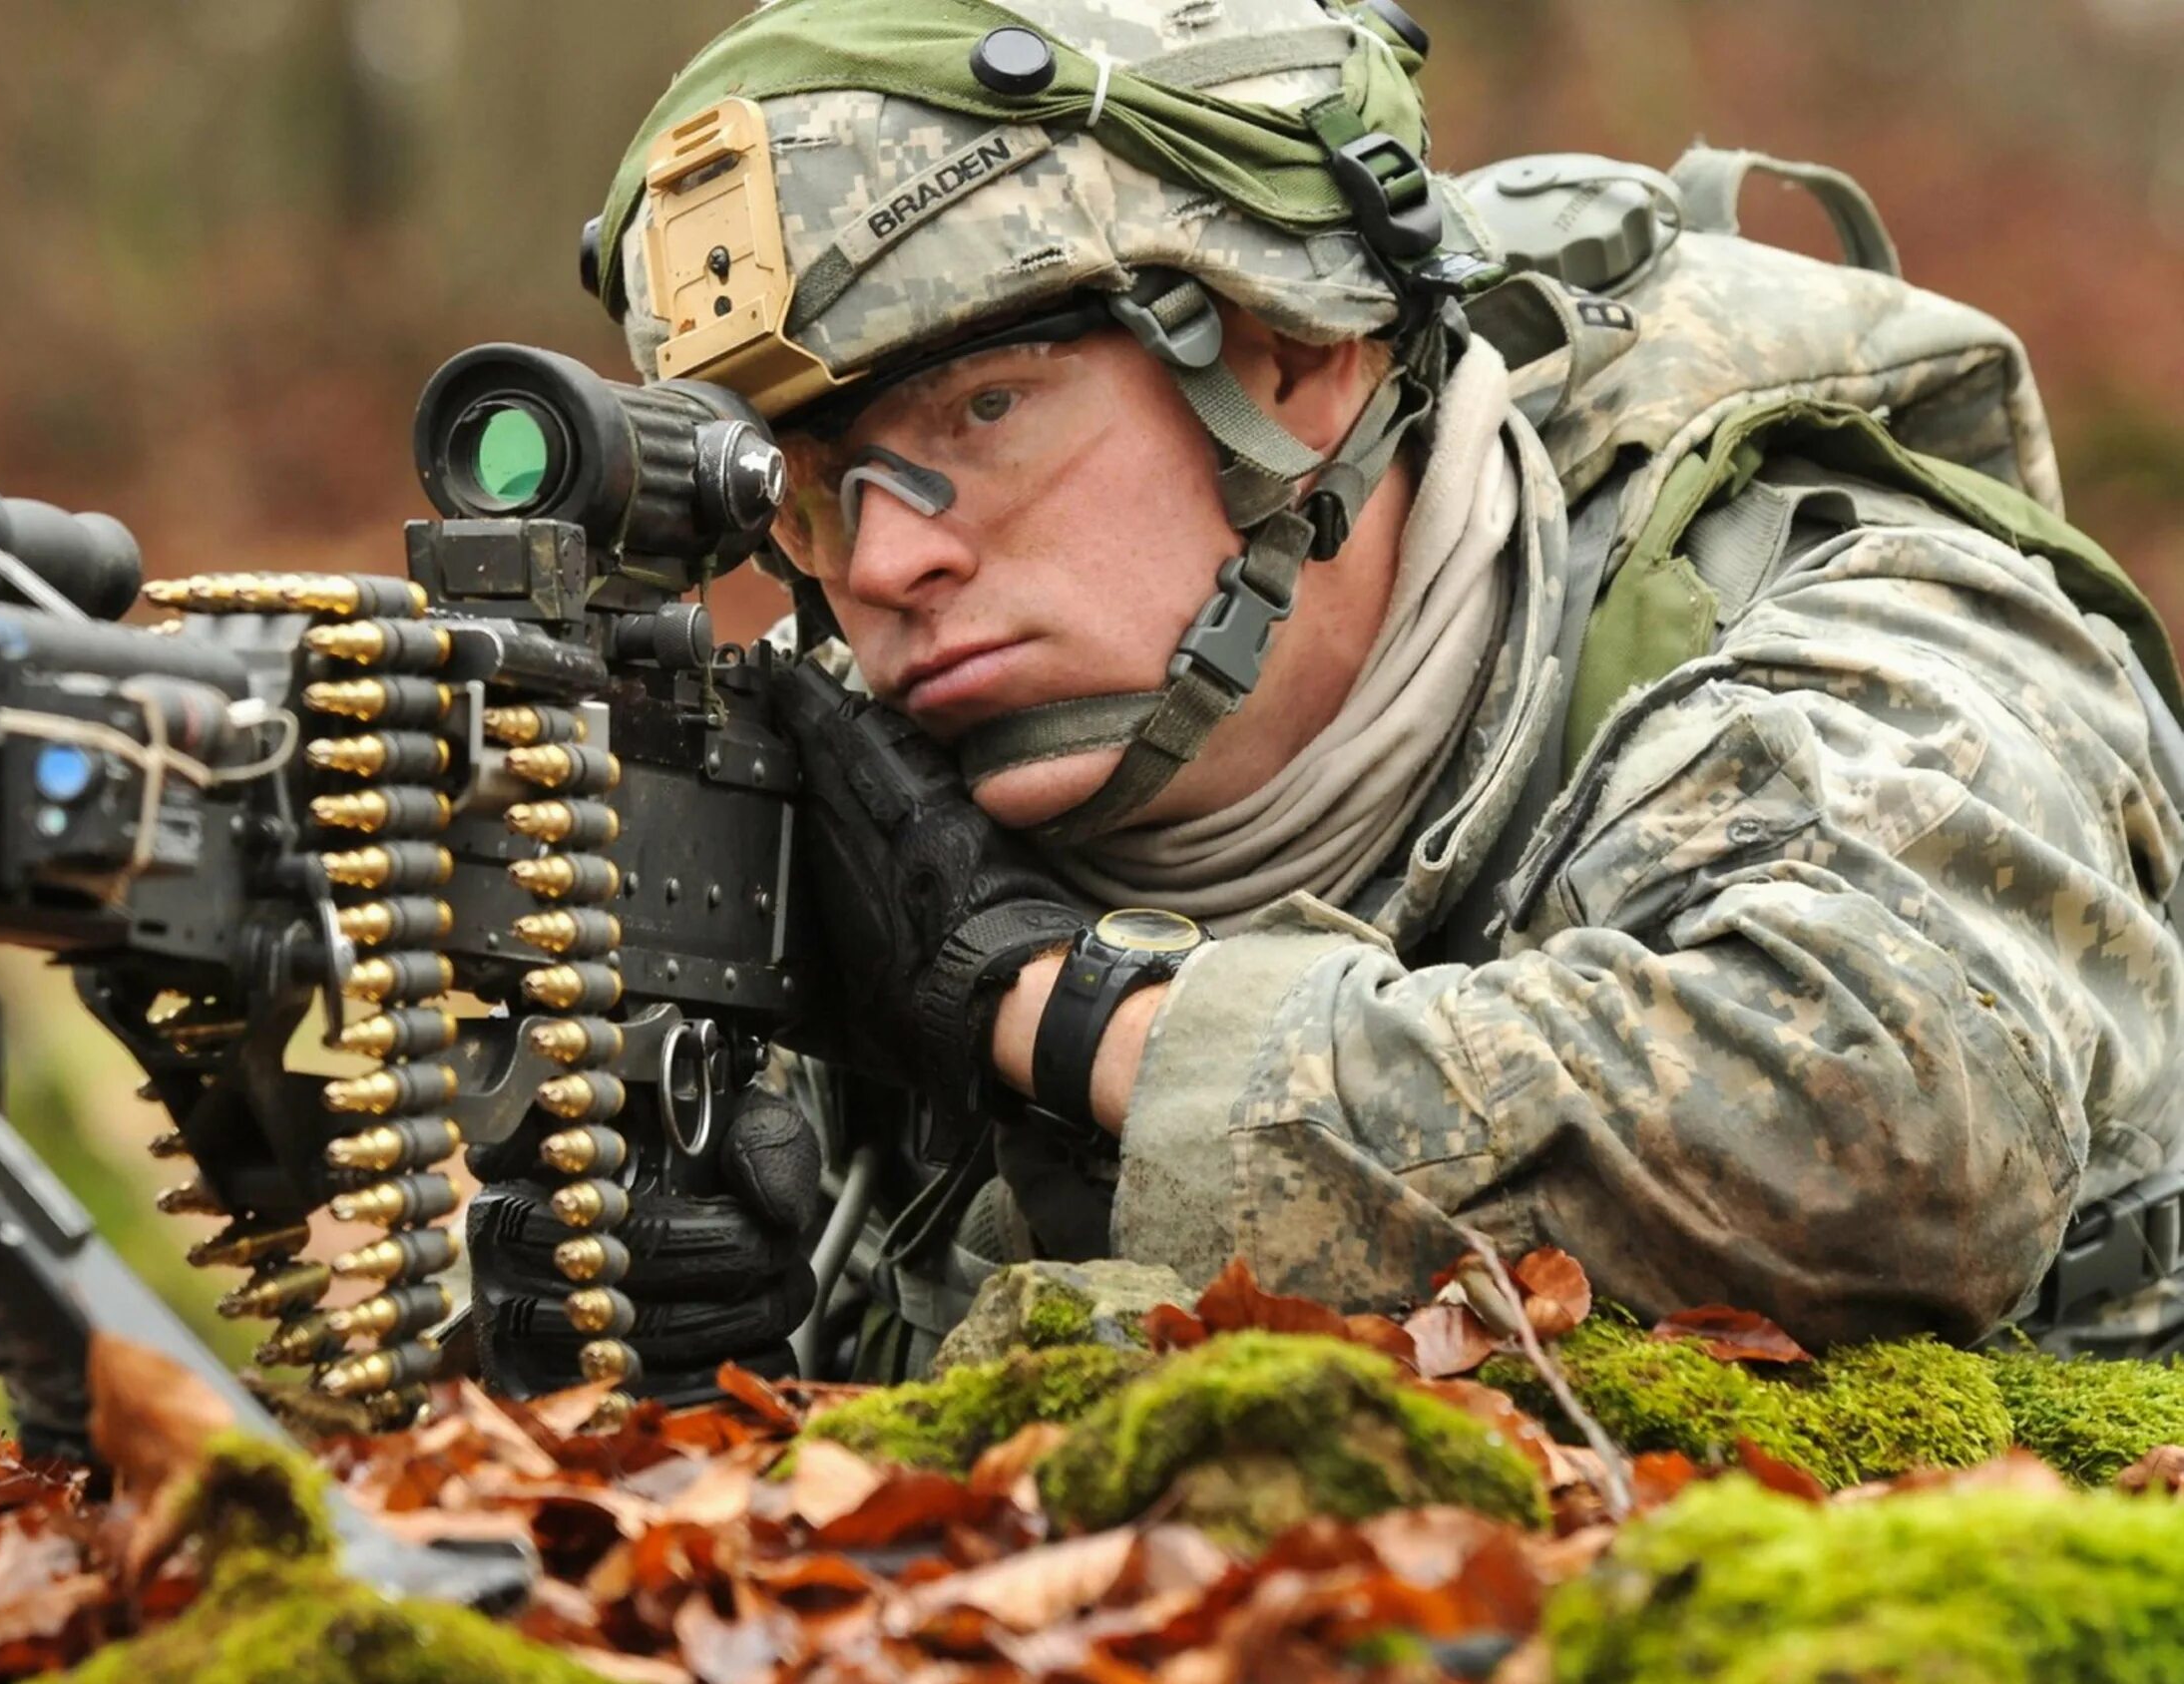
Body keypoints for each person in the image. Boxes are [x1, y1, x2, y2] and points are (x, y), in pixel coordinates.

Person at [470, 0, 2184, 1397]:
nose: (885, 567)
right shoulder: (824, 798)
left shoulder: (1847, 617)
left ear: (1294, 354)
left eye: (982, 414)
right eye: (815, 496)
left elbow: (1883, 1140)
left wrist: (1057, 1017)